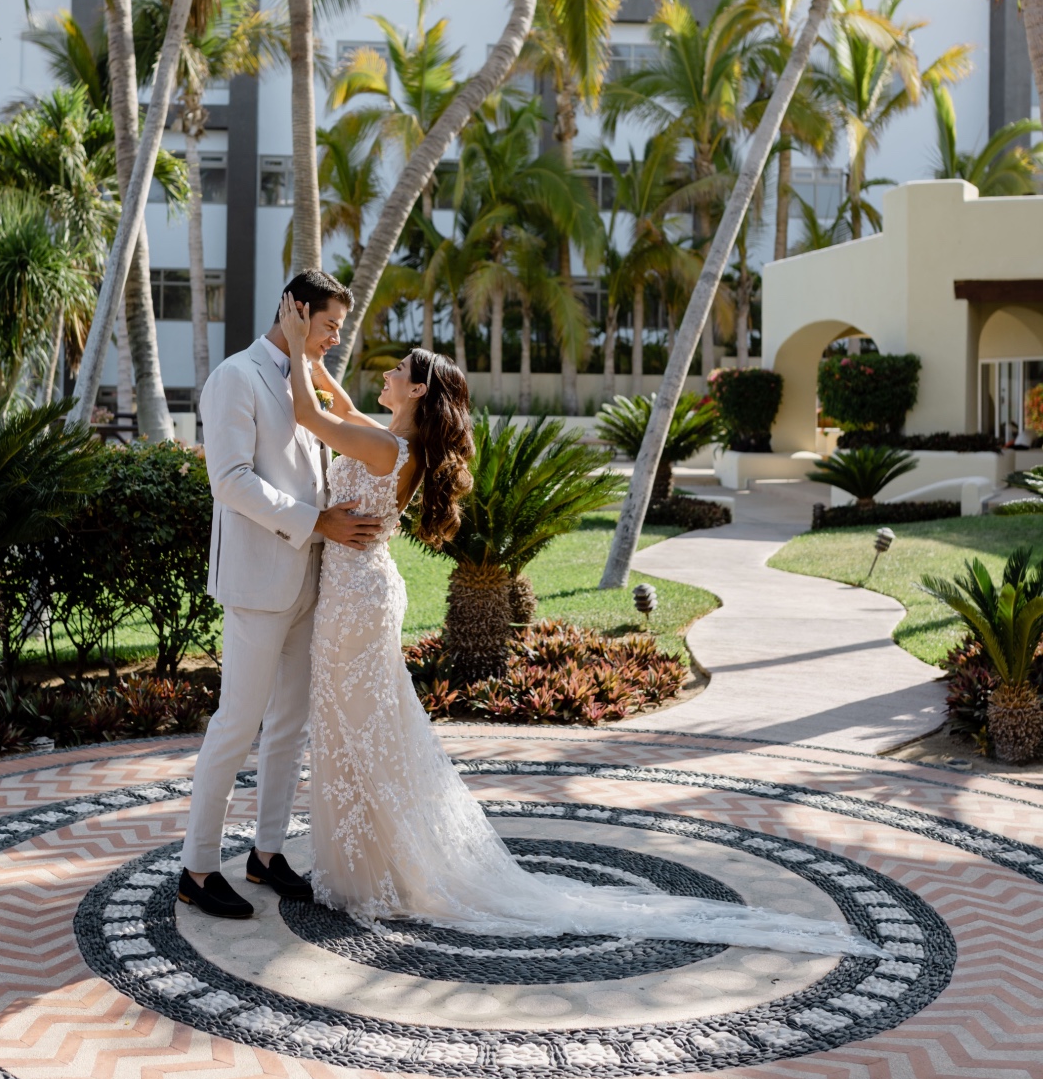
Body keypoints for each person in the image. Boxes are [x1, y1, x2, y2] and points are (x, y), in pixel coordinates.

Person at [277, 295, 879, 959]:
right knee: (361, 723)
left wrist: (301, 336)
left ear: (416, 389)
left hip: (356, 597)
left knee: (359, 724)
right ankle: (369, 866)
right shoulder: (396, 437)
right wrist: (316, 361)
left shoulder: (387, 443)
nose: (382, 375)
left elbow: (311, 413)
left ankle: (375, 872)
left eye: (395, 371)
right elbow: (339, 406)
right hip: (358, 589)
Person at [178, 269, 384, 920]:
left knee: (289, 725)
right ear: (295, 310)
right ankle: (197, 864)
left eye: (337, 330)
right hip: (258, 582)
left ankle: (266, 853)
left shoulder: (302, 380)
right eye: (327, 325)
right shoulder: (236, 376)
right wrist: (318, 520)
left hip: (309, 580)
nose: (332, 339)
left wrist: (333, 521)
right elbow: (231, 481)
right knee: (237, 723)